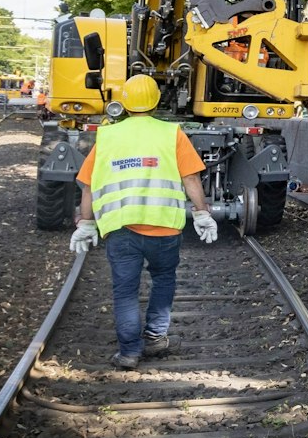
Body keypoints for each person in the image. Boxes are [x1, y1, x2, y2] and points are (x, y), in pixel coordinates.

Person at [67, 74, 219, 370]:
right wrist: (202, 212)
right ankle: (155, 337)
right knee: (164, 281)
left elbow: (88, 185)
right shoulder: (172, 133)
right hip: (164, 228)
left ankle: (129, 353)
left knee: (125, 290)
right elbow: (190, 178)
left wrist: (86, 223)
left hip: (121, 229)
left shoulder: (107, 135)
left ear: (123, 101)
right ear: (156, 101)